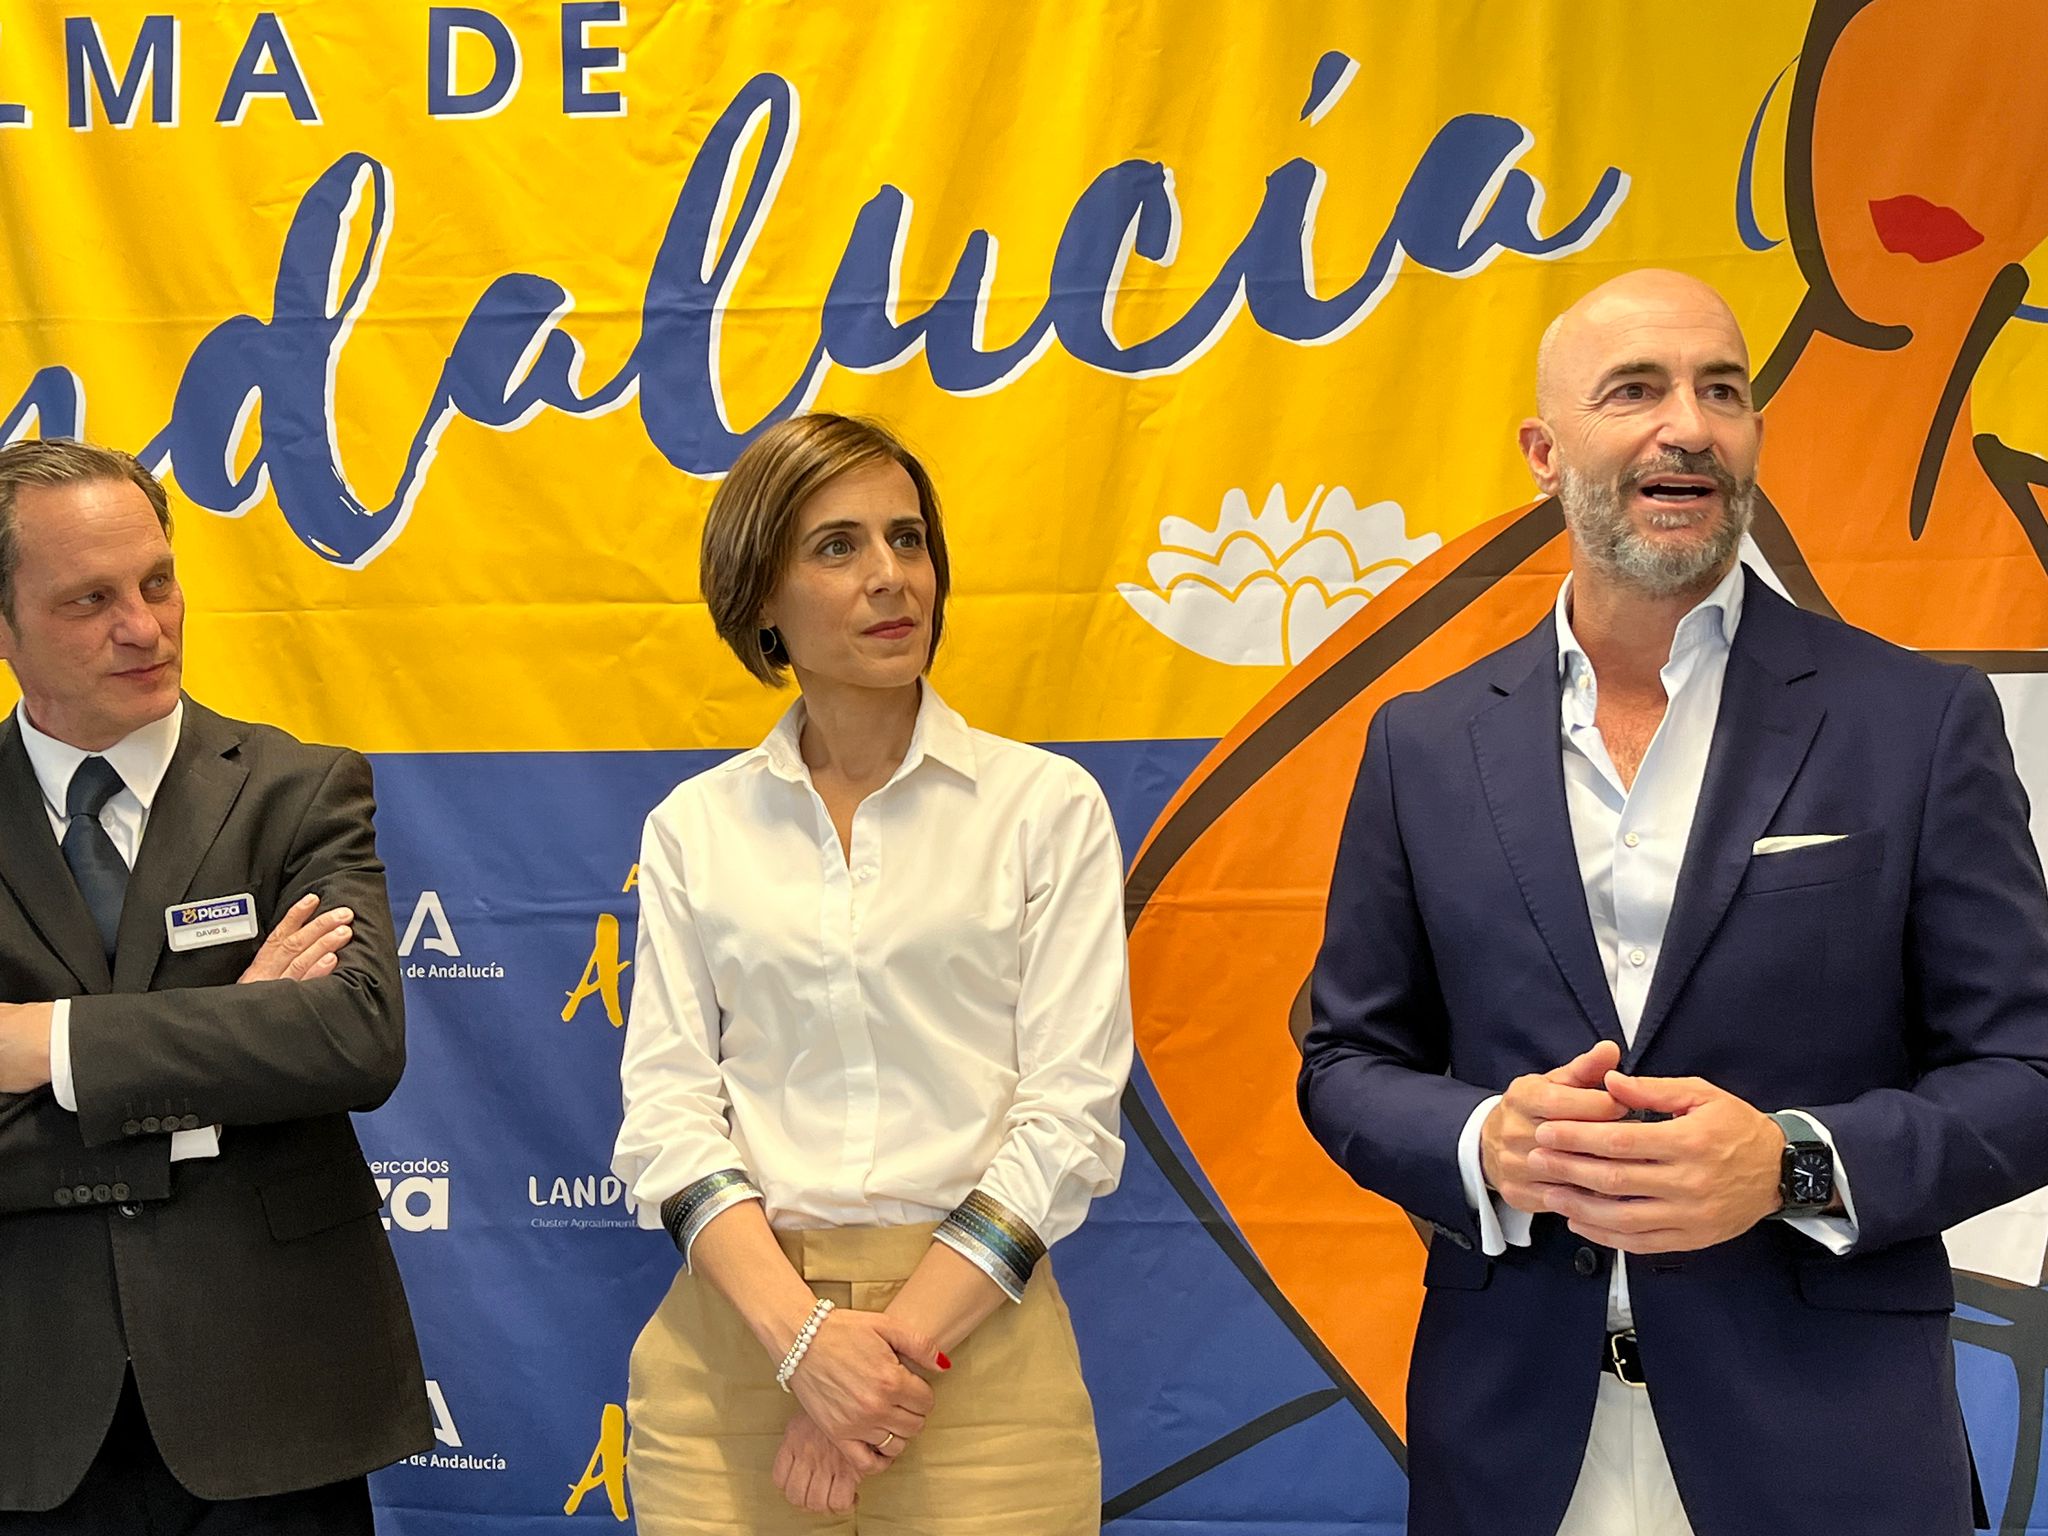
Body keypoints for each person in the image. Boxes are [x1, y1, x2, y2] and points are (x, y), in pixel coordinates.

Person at [1297, 269, 2048, 1536]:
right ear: (1543, 453)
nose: (1686, 426)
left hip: (1826, 1445)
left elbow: (2026, 1068)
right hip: (1515, 1454)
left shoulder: (1912, 722)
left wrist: (1792, 1165)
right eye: (1633, 390)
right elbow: (1345, 1058)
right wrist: (1488, 1143)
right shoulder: (1420, 746)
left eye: (1721, 390)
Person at [612, 411, 1133, 1533]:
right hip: (732, 1355)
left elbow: (1071, 1118)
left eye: (908, 538)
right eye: (836, 546)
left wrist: (875, 1365)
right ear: (758, 595)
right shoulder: (693, 829)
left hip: (979, 1363)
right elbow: (664, 1116)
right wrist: (800, 1343)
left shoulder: (1044, 810)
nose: (890, 576)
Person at [0, 439, 430, 1533]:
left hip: (275, 1404)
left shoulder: (297, 791)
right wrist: (229, 1050)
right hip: (26, 1415)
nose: (144, 626)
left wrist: (42, 1048)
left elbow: (352, 1039)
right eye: (89, 599)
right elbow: (281, 1048)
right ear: (3, 629)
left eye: (157, 581)